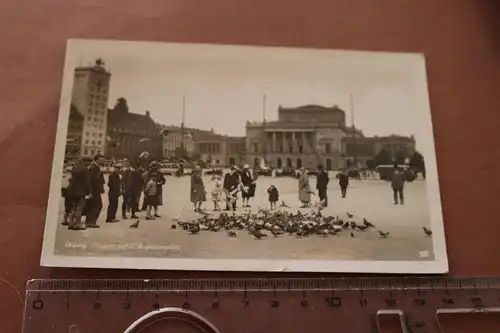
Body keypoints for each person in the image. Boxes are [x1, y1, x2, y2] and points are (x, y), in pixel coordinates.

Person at [65, 159, 91, 230]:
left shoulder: (74, 168)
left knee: (73, 208)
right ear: (87, 162)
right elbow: (87, 182)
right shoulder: (85, 170)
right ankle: (77, 224)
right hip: (81, 192)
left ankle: (71, 224)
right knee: (79, 209)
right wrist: (90, 192)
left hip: (72, 191)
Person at [85, 154, 105, 228]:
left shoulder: (95, 167)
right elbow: (93, 179)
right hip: (94, 190)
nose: (102, 160)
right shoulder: (94, 167)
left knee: (92, 205)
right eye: (101, 159)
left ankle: (89, 221)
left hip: (94, 190)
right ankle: (91, 222)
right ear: (96, 159)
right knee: (98, 205)